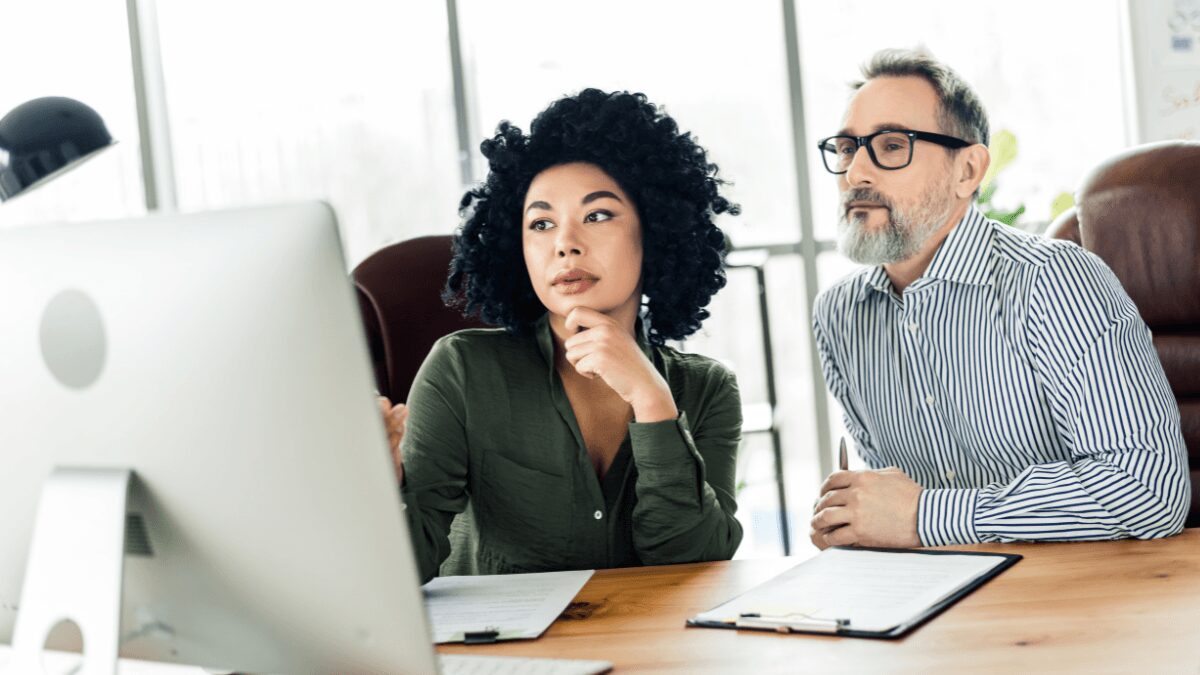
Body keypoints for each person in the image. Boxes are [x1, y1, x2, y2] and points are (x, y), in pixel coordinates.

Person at [809, 48, 1189, 549]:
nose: (855, 172)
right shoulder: (839, 315)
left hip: (1078, 598)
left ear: (968, 170)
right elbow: (892, 495)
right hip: (941, 599)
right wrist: (857, 518)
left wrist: (926, 516)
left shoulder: (1055, 282)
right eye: (845, 148)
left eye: (891, 145)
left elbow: (1150, 492)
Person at [380, 88, 744, 582]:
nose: (565, 245)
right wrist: (381, 483)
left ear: (655, 231)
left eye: (597, 215)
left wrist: (652, 402)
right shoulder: (462, 370)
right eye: (542, 223)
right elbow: (404, 568)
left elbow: (695, 566)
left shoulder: (707, 389)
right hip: (508, 656)